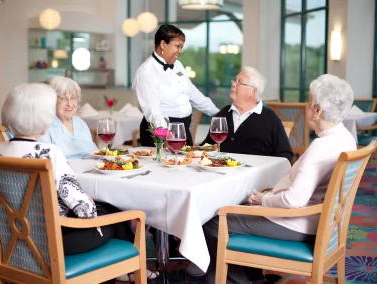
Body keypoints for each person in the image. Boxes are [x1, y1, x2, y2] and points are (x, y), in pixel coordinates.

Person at [202, 74, 357, 284]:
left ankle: (239, 280)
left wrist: (263, 200)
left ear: (318, 111)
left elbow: (293, 201)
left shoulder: (320, 147)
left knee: (212, 221)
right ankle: (248, 275)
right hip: (326, 223)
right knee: (240, 207)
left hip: (299, 223)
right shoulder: (346, 138)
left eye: (309, 103)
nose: (306, 107)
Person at [0, 83, 155, 283]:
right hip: (53, 241)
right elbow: (85, 210)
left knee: (105, 210)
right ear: (42, 116)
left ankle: (118, 273)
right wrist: (87, 199)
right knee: (115, 213)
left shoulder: (1, 149)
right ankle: (124, 270)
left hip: (15, 237)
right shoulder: (50, 152)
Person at [133, 24, 220, 146]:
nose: (180, 51)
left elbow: (193, 94)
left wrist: (219, 114)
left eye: (181, 47)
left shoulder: (178, 65)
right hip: (161, 133)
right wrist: (167, 135)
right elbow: (152, 111)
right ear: (163, 44)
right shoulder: (146, 71)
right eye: (177, 46)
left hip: (183, 130)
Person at [201, 66, 293, 161]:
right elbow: (207, 146)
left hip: (256, 174)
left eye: (239, 82)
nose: (233, 84)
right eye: (234, 80)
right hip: (221, 171)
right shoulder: (224, 113)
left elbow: (285, 154)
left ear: (253, 91)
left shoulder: (270, 118)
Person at [39, 76, 98, 159]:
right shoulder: (45, 126)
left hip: (89, 169)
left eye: (73, 98)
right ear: (53, 101)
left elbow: (95, 154)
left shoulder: (81, 123)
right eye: (63, 98)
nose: (70, 104)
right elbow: (45, 161)